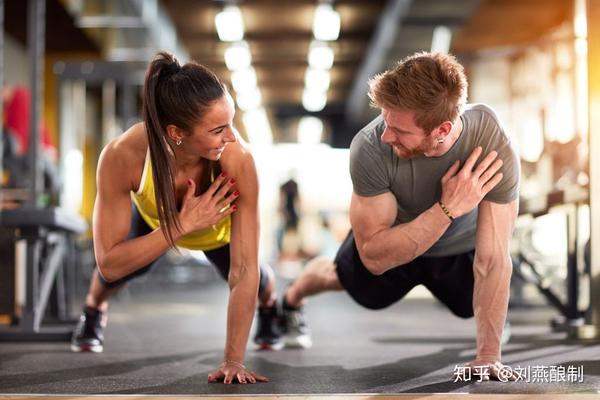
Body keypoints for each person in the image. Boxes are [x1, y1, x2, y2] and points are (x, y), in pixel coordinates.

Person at [279, 52, 521, 380]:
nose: (385, 135)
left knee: (475, 300)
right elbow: (375, 258)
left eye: (398, 130)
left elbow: (492, 259)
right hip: (393, 242)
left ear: (442, 129)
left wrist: (489, 356)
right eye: (385, 121)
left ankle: (492, 322)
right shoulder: (369, 147)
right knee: (343, 278)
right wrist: (446, 209)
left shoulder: (490, 140)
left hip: (456, 251)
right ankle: (292, 299)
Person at [70, 52, 280, 384]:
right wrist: (181, 224)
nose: (231, 136)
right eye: (217, 129)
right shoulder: (122, 155)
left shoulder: (238, 159)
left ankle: (271, 308)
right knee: (118, 273)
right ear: (176, 132)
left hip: (217, 228)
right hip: (157, 220)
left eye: (232, 122)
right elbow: (108, 262)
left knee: (259, 281)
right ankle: (94, 309)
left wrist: (233, 360)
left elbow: (244, 269)